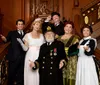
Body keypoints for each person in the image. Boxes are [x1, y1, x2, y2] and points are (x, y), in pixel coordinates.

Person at [17, 18, 44, 85]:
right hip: (30, 56)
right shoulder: (27, 35)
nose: (37, 26)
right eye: (36, 24)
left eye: (39, 25)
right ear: (33, 25)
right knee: (30, 73)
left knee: (38, 73)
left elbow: (44, 47)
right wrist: (21, 43)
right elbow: (25, 49)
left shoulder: (42, 36)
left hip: (40, 56)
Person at [0, 19, 25, 85]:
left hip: (23, 57)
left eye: (21, 24)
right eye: (19, 24)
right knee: (11, 74)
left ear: (23, 25)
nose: (20, 25)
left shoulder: (26, 34)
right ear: (16, 26)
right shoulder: (12, 33)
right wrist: (3, 38)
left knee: (21, 75)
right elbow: (6, 40)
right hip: (14, 57)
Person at [57, 21, 79, 85]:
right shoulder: (58, 38)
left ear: (72, 29)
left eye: (70, 27)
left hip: (71, 60)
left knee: (70, 76)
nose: (68, 28)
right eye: (66, 26)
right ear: (64, 28)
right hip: (61, 60)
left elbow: (76, 51)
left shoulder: (75, 38)